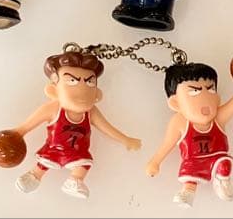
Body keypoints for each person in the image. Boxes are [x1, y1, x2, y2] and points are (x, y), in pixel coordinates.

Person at [12, 50, 141, 199]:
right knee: (44, 163)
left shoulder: (91, 112)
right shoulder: (53, 108)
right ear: (53, 91)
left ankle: (74, 181)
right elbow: (30, 122)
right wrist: (18, 132)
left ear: (97, 95)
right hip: (54, 149)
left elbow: (107, 127)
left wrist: (126, 140)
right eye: (71, 81)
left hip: (78, 152)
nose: (81, 91)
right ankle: (34, 176)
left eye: (90, 82)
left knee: (84, 164)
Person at [146, 62, 233, 207]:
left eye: (211, 90)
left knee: (224, 165)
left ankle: (222, 180)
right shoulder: (180, 122)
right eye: (194, 92)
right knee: (190, 177)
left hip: (217, 158)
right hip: (193, 161)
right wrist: (155, 161)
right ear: (176, 103)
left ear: (217, 98)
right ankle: (188, 192)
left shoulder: (218, 118)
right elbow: (168, 143)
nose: (205, 98)